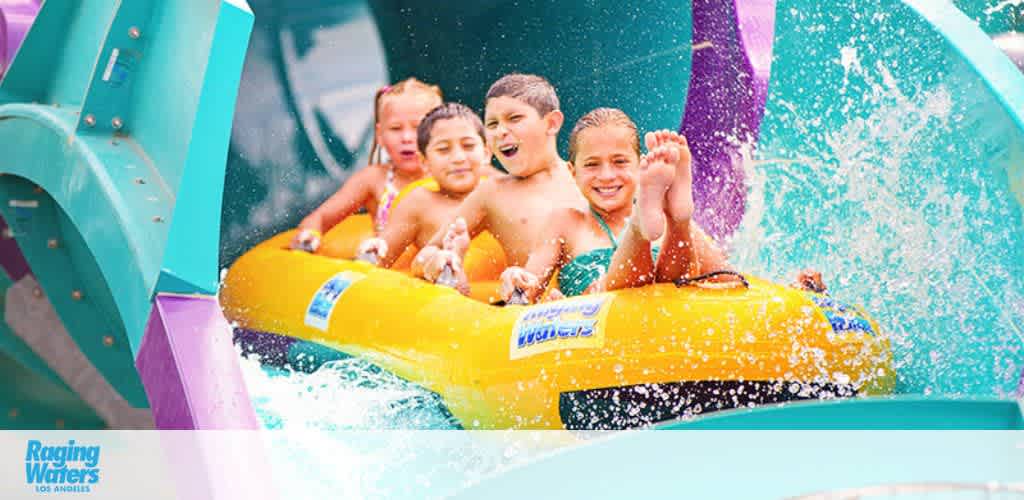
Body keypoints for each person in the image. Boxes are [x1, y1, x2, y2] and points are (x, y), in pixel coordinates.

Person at [411, 73, 587, 287]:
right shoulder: (493, 193)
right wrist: (438, 260)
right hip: (536, 312)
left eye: (514, 119)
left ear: (551, 123)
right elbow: (426, 253)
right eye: (492, 124)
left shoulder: (586, 176)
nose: (501, 131)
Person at [291, 78, 443, 252]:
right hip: (386, 274)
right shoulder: (373, 180)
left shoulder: (448, 176)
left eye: (418, 127)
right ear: (379, 134)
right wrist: (310, 234)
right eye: (395, 128)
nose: (407, 138)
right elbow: (320, 217)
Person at [356, 102, 490, 272]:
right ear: (425, 162)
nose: (458, 157)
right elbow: (383, 256)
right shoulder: (418, 202)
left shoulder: (499, 193)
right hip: (443, 294)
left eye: (468, 146)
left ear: (486, 154)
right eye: (443, 149)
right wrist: (374, 249)